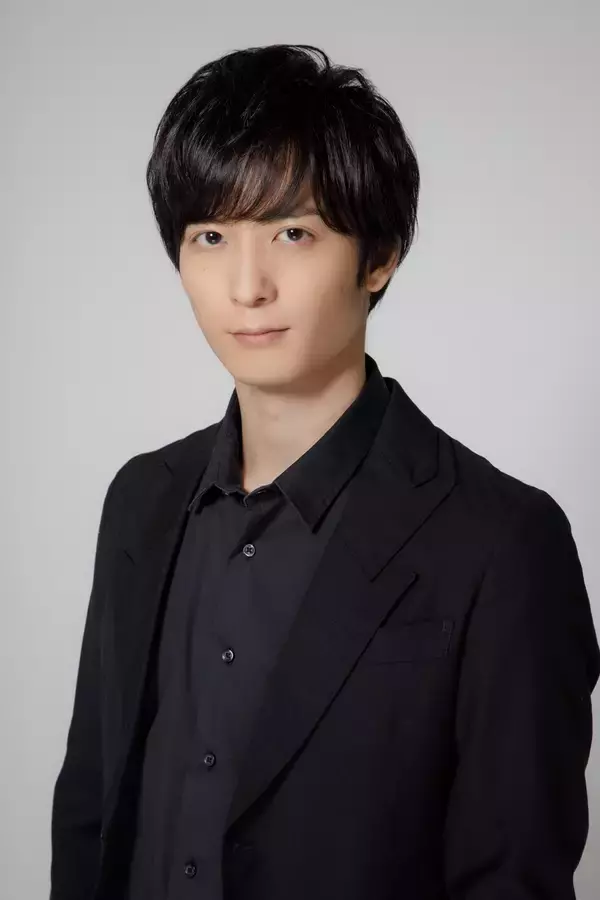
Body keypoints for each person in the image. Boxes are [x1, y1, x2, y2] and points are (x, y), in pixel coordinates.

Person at [49, 43, 600, 900]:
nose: (246, 286)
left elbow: (511, 876)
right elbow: (90, 814)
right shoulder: (140, 500)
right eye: (210, 236)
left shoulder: (503, 543)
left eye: (293, 233)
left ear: (378, 257)